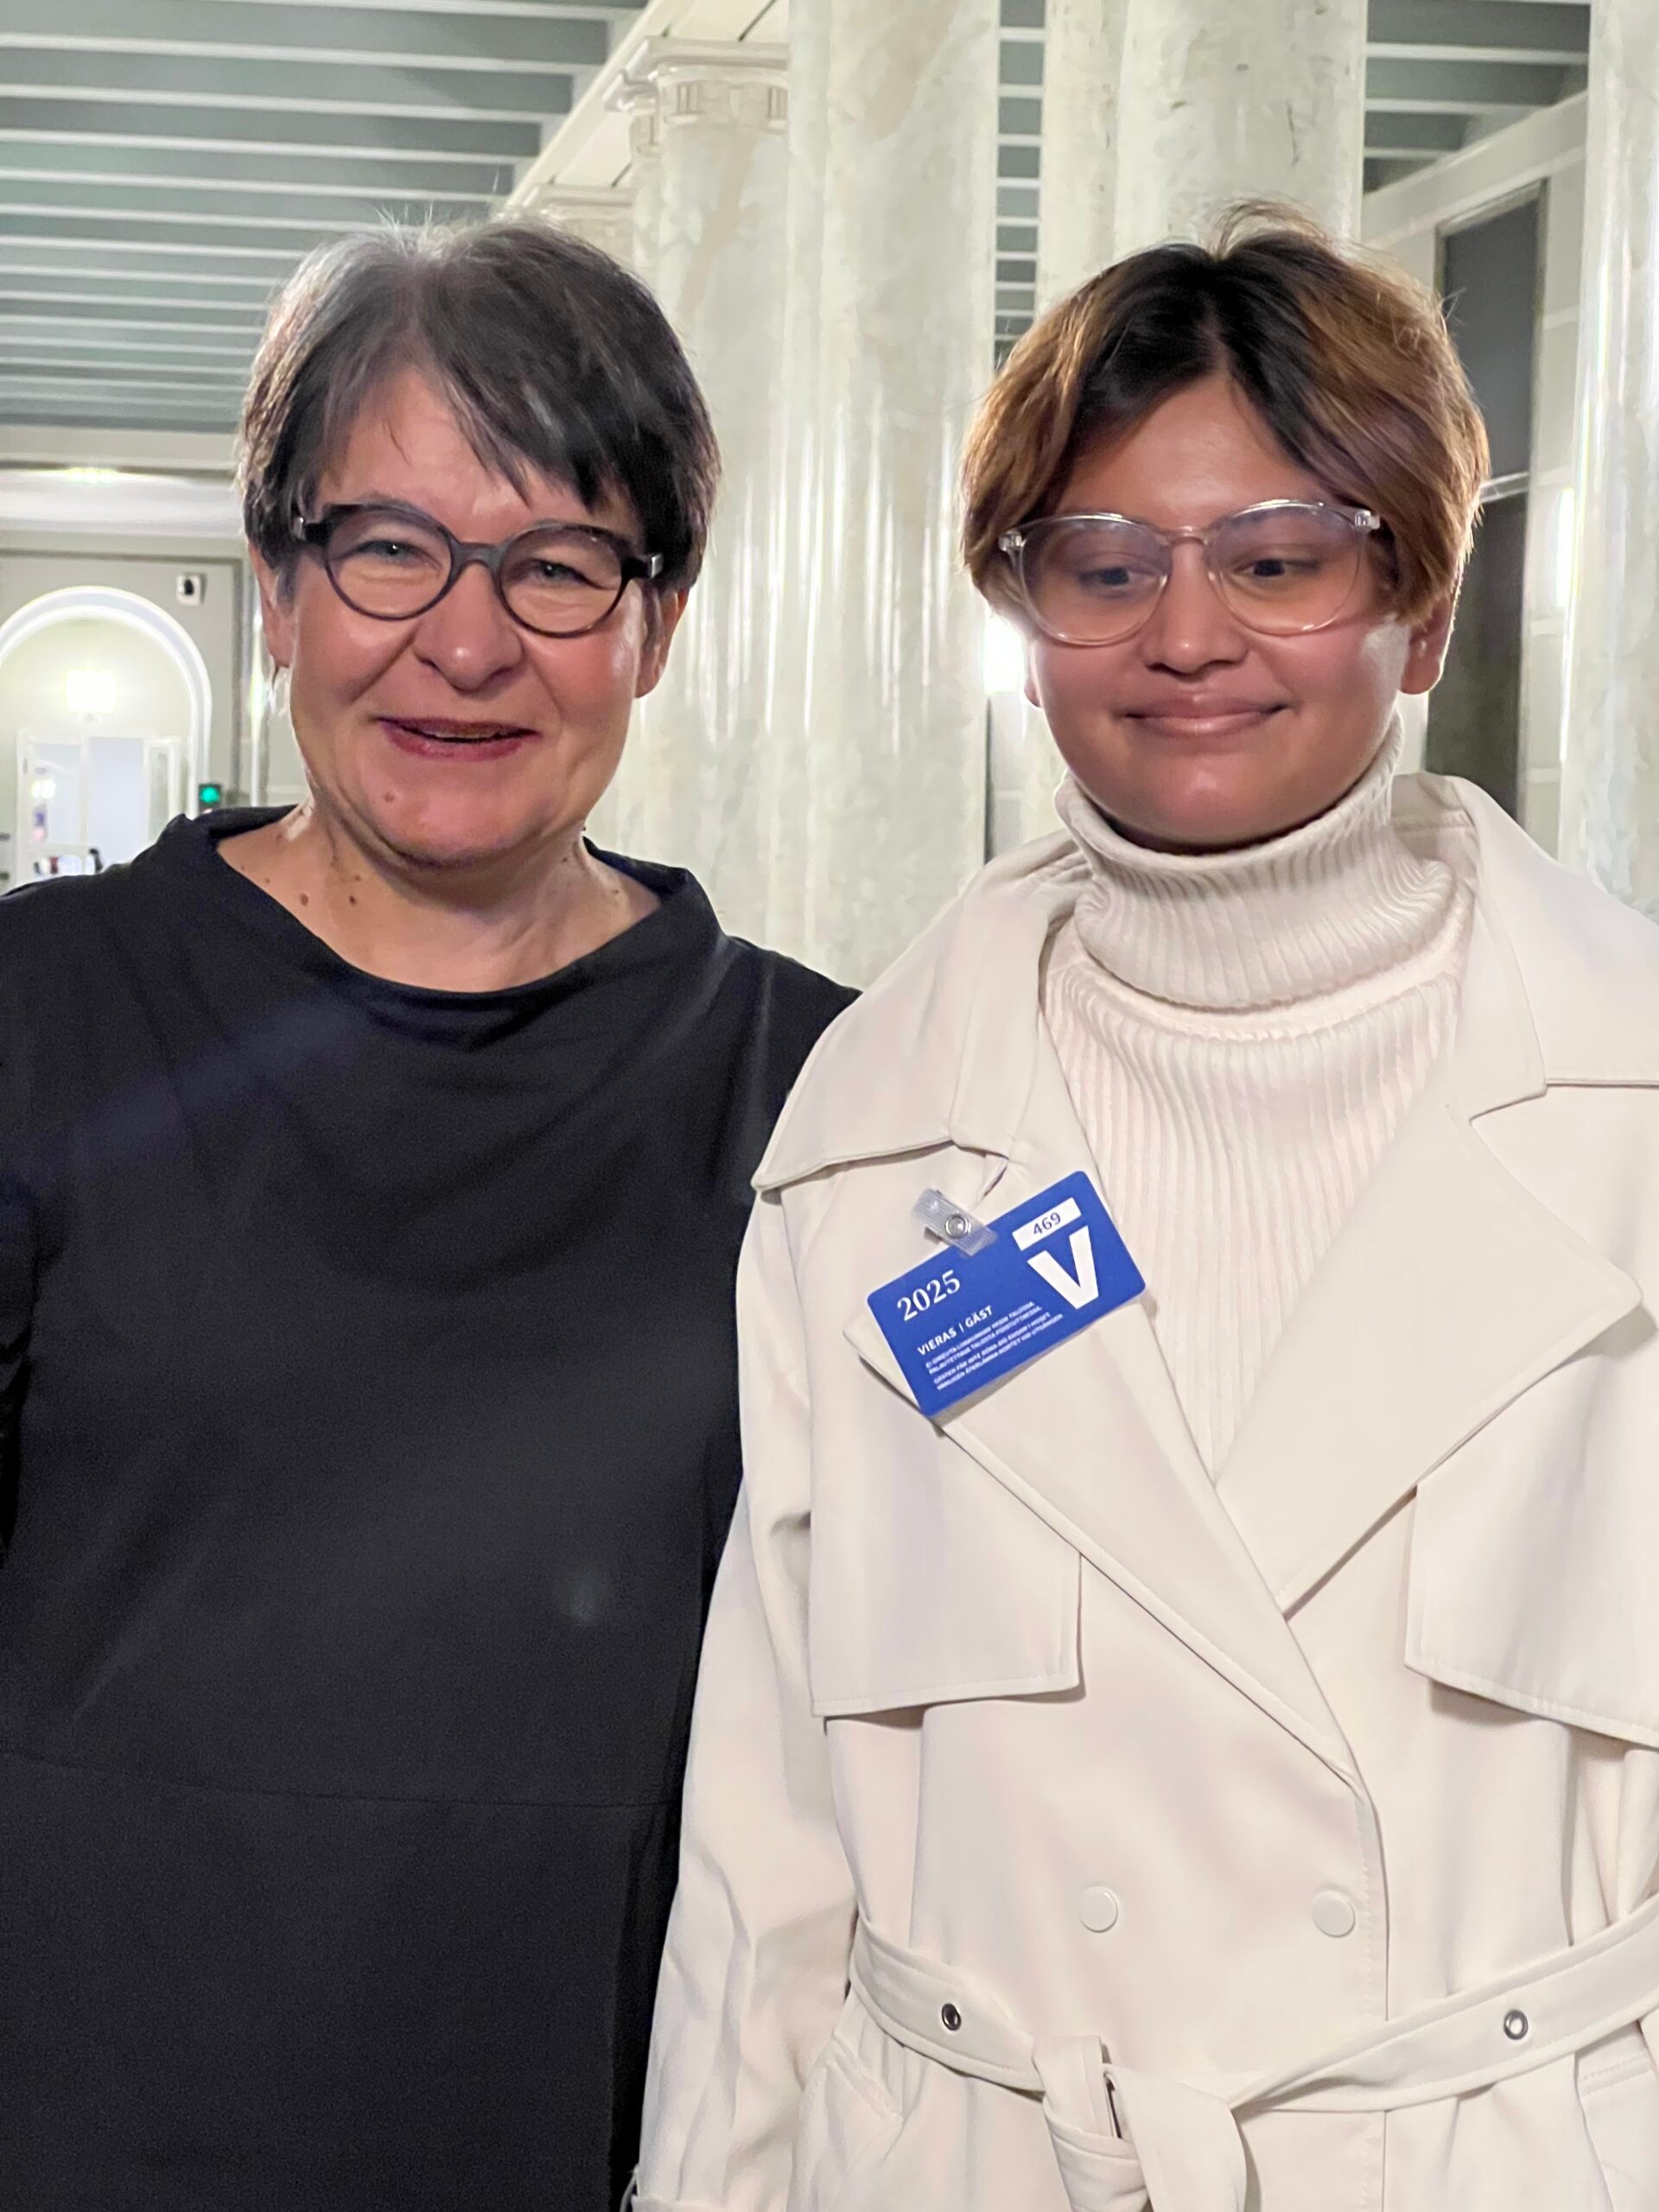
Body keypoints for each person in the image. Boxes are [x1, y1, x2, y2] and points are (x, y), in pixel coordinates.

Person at [636, 207, 1659, 2212]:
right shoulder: (875, 1140)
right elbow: (770, 1830)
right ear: (1024, 621)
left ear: (1420, 605)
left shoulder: (1630, 1102)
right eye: (1104, 566)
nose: (1188, 636)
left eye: (1278, 559)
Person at [0, 219, 850, 2211]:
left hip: (617, 2136)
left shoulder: (831, 1090)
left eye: (557, 565)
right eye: (389, 548)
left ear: (657, 621)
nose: (465, 645)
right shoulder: (40, 1011)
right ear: (278, 586)